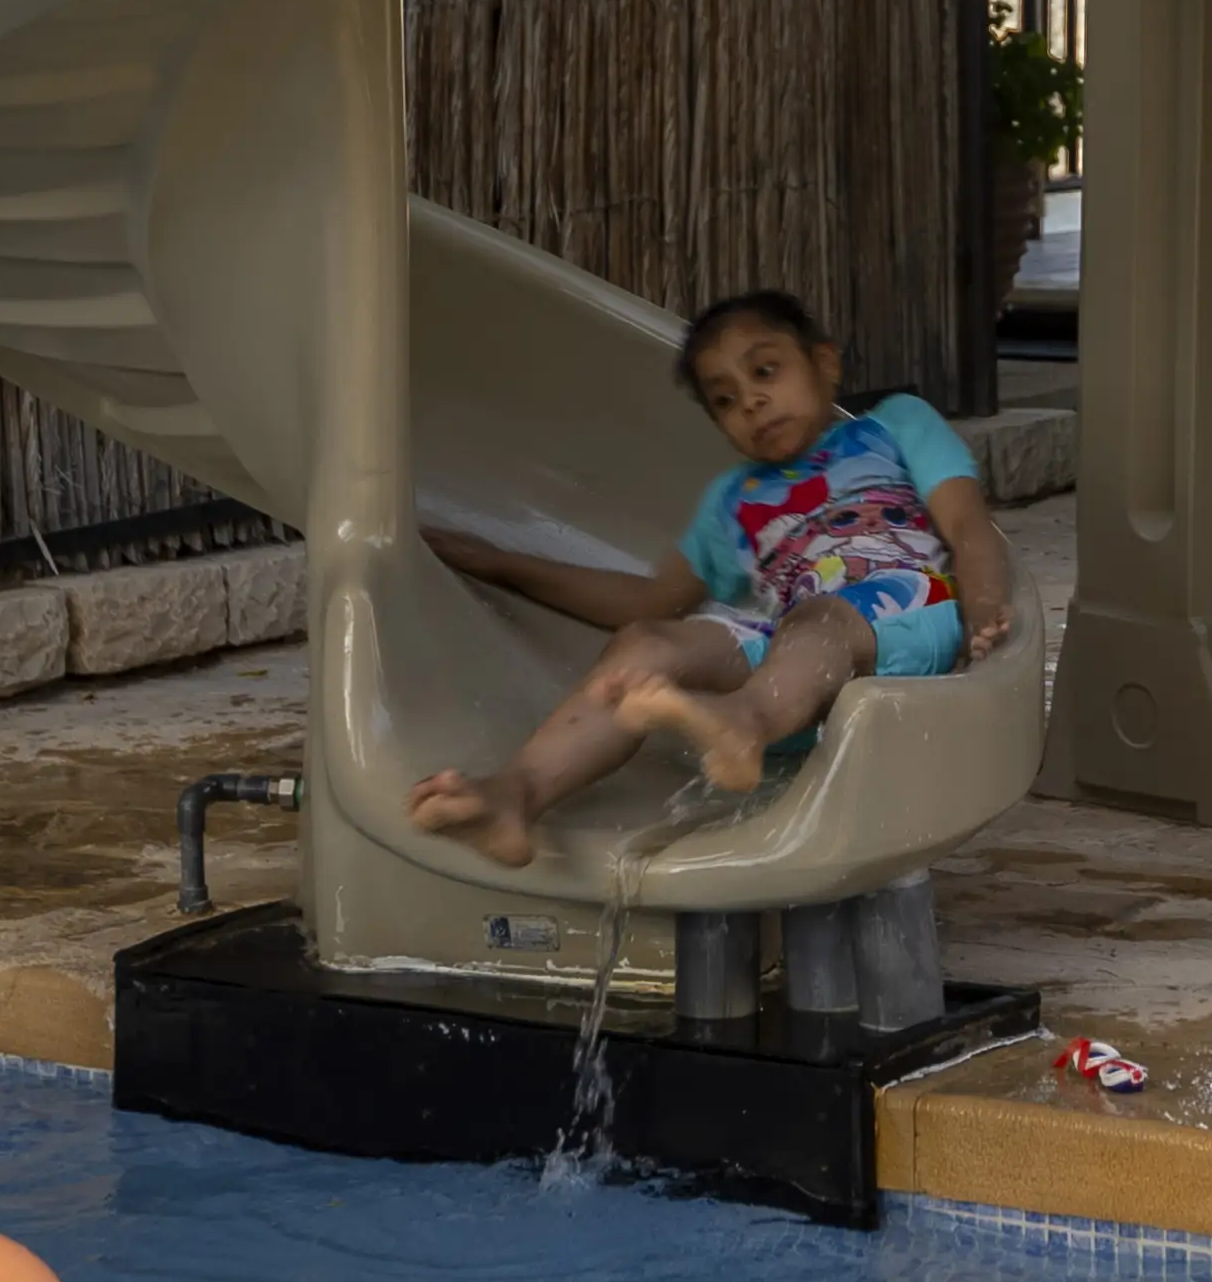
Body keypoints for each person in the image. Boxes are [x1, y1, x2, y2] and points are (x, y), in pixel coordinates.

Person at [408, 289, 1012, 868]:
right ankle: (518, 795)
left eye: (766, 372)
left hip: (906, 608)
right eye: (724, 399)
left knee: (818, 619)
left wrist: (984, 614)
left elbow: (967, 526)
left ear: (824, 364)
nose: (749, 402)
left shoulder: (893, 426)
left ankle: (740, 724)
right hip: (794, 666)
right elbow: (647, 600)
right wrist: (501, 562)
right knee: (645, 644)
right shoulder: (730, 500)